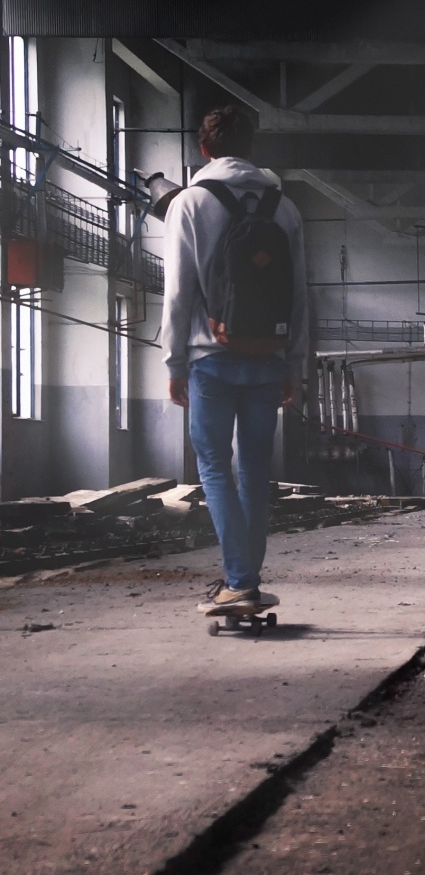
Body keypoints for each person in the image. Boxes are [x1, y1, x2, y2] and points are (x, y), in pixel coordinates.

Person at [161, 104, 308, 613]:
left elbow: (178, 291)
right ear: (251, 148)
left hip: (210, 359)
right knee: (255, 471)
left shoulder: (191, 202)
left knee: (215, 468)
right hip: (268, 359)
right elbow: (299, 297)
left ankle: (240, 581)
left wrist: (174, 361)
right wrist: (294, 364)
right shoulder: (284, 209)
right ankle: (246, 578)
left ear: (203, 150)